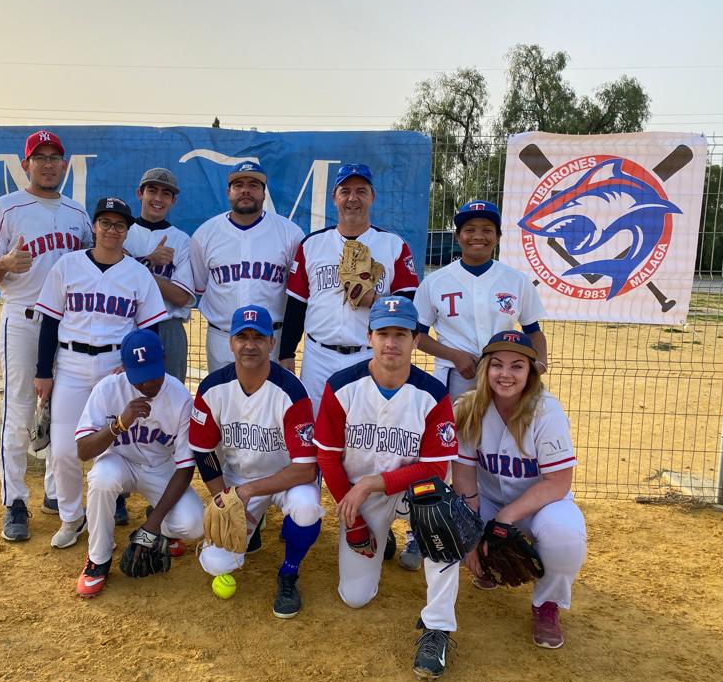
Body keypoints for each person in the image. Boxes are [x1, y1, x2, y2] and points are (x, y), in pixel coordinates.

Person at [313, 296, 461, 681]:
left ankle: (439, 626)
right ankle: (382, 539)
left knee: (441, 516)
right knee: (355, 597)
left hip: (413, 492)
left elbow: (434, 465)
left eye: (401, 334)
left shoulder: (432, 393)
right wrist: (356, 521)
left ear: (415, 341)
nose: (391, 343)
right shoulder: (342, 386)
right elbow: (328, 457)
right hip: (362, 501)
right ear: (369, 337)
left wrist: (373, 484)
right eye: (383, 334)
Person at [404, 199, 548, 571]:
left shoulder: (514, 280)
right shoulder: (437, 281)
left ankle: (492, 526)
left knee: (496, 451)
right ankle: (421, 532)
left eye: (486, 229)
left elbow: (533, 331)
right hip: (459, 377)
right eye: (469, 229)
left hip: (504, 380)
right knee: (442, 453)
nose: (477, 236)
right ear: (458, 236)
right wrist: (454, 354)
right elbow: (418, 336)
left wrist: (537, 365)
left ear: (497, 237)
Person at [0, 129, 92, 542]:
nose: (47, 163)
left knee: (63, 411)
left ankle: (57, 493)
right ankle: (15, 501)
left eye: (54, 156)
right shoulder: (6, 208)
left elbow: (98, 262)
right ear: (25, 165)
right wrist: (5, 261)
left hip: (67, 323)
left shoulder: (78, 214)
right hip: (22, 320)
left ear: (64, 165)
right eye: (38, 156)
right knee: (20, 411)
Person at [33, 197, 168, 550]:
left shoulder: (138, 275)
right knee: (63, 449)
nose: (112, 230)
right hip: (72, 365)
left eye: (119, 225)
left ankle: (108, 507)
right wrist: (43, 371)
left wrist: (136, 367)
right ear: (94, 227)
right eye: (105, 223)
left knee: (116, 445)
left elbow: (150, 330)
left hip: (116, 369)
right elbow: (50, 322)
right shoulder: (68, 265)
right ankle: (71, 517)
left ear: (127, 231)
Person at [451, 330, 587, 649]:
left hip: (543, 503)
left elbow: (558, 482)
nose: (506, 374)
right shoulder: (469, 407)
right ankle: (488, 565)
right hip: (486, 500)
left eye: (517, 366)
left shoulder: (546, 410)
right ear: (485, 369)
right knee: (449, 525)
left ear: (530, 372)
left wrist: (503, 520)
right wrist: (473, 537)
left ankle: (547, 604)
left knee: (564, 537)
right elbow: (464, 479)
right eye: (497, 364)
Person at [189, 304, 324, 619]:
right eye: (242, 336)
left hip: (288, 479)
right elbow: (203, 450)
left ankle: (289, 572)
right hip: (237, 481)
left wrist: (247, 493)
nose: (250, 344)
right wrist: (224, 498)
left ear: (271, 343)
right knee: (215, 563)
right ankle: (253, 525)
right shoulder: (212, 388)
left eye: (258, 337)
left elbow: (305, 467)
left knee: (306, 508)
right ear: (231, 342)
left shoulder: (291, 391)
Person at [73, 329, 204, 598]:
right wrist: (119, 424)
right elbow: (83, 451)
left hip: (160, 468)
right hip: (119, 461)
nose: (147, 384)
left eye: (153, 375)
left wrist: (152, 527)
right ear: (124, 368)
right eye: (139, 379)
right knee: (101, 478)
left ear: (164, 359)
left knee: (195, 524)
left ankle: (157, 520)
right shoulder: (108, 388)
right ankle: (98, 559)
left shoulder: (180, 398)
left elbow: (186, 467)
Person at [279, 163, 419, 411]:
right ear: (334, 198)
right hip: (318, 356)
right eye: (345, 191)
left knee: (364, 429)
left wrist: (374, 299)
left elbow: (409, 306)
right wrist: (287, 353)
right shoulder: (312, 245)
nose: (353, 198)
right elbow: (297, 304)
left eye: (361, 191)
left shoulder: (393, 245)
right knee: (315, 428)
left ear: (372, 197)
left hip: (369, 355)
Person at [190, 161, 302, 372]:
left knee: (272, 403)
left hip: (271, 339)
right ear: (228, 192)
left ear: (264, 192)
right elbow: (200, 285)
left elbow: (297, 294)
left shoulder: (290, 234)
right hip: (222, 337)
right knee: (222, 401)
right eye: (238, 185)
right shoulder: (205, 234)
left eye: (253, 185)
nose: (245, 190)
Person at [123, 168, 196, 382]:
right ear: (140, 193)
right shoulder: (122, 232)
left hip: (168, 325)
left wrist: (136, 267)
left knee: (172, 396)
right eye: (152, 191)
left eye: (166, 194)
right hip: (126, 321)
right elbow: (112, 281)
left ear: (173, 200)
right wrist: (149, 260)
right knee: (125, 394)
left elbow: (181, 296)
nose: (158, 198)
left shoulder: (181, 240)